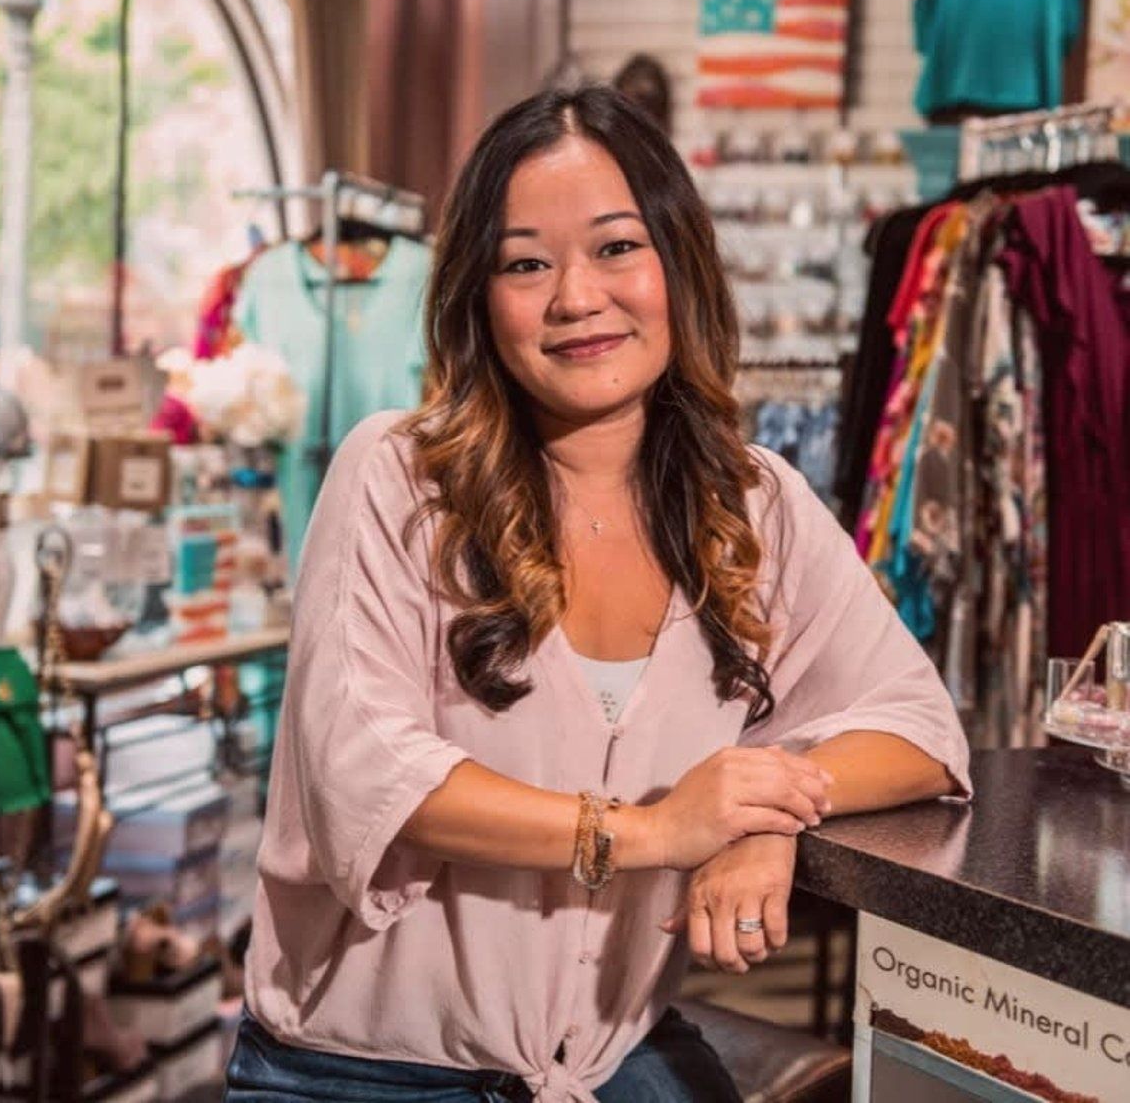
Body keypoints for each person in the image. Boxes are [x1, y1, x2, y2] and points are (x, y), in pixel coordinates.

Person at [226, 86, 970, 1103]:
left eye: (616, 247)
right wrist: (658, 832)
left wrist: (764, 811)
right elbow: (369, 773)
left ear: (679, 264)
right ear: (478, 300)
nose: (577, 297)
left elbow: (919, 728)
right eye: (526, 262)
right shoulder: (397, 477)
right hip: (362, 1075)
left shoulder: (755, 506)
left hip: (606, 1059)